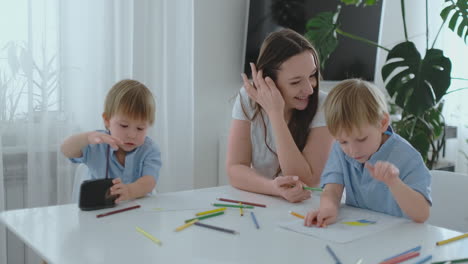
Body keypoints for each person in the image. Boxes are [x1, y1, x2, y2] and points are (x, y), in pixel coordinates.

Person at [226, 28, 334, 203]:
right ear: (268, 80)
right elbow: (235, 168)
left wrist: (275, 114)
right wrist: (273, 188)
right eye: (296, 81)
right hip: (269, 202)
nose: (309, 88)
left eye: (312, 75)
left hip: (314, 206)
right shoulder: (247, 99)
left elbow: (306, 181)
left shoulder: (324, 104)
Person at [304, 79, 431, 227]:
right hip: (360, 233)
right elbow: (332, 189)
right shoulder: (340, 149)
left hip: (398, 237)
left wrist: (394, 182)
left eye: (361, 139)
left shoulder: (408, 157)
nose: (352, 151)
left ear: (382, 123)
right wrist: (327, 209)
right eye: (343, 141)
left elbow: (422, 214)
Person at [61, 79, 162, 203]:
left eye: (140, 128)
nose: (132, 135)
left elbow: (149, 181)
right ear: (107, 121)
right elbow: (66, 150)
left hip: (137, 211)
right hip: (99, 211)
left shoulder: (149, 149)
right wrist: (86, 138)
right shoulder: (97, 142)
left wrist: (130, 191)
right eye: (124, 125)